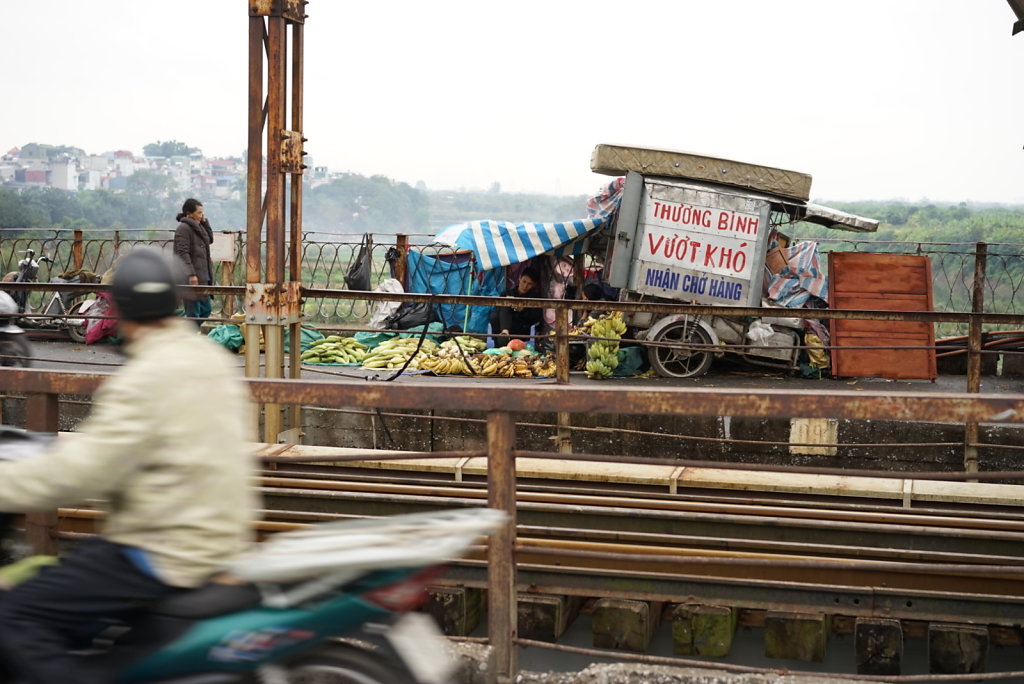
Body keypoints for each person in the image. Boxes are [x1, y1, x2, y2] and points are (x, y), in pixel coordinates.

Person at [0, 248, 257, 684]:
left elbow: (83, 471)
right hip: (218, 541)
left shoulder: (145, 378)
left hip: (158, 550)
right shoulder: (210, 360)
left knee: (12, 616)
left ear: (119, 308)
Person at [173, 197, 214, 327]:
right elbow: (182, 253)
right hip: (192, 277)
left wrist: (205, 222)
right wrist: (191, 274)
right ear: (189, 213)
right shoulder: (184, 229)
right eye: (199, 213)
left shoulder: (198, 227)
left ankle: (188, 333)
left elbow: (209, 239)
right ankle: (189, 337)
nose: (202, 215)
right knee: (193, 312)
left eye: (202, 212)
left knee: (206, 309)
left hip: (203, 276)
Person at [489, 266, 542, 348]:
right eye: (524, 281)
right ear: (520, 278)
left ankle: (505, 333)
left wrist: (523, 310)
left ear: (534, 285)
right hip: (502, 327)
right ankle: (504, 334)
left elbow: (535, 317)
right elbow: (498, 310)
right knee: (500, 309)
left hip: (521, 328)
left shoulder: (534, 298)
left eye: (529, 284)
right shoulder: (508, 293)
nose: (525, 286)